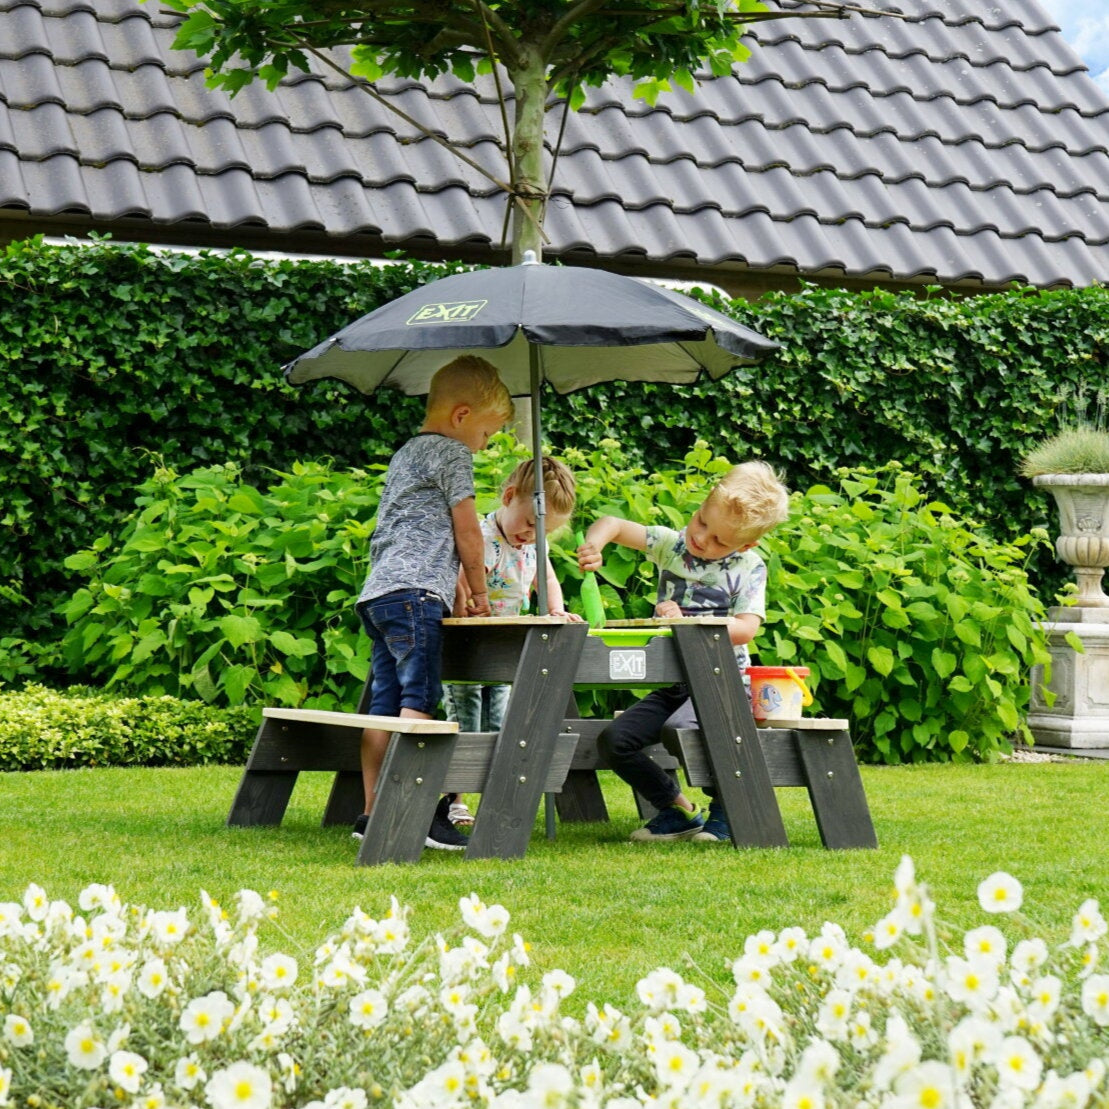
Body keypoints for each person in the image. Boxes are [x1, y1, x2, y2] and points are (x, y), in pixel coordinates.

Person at [577, 460, 790, 844]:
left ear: (745, 544)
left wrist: (689, 622)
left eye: (719, 540)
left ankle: (727, 810)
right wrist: (595, 544)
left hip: (723, 683)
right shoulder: (672, 545)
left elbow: (746, 628)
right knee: (615, 741)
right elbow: (614, 524)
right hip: (678, 685)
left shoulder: (749, 566)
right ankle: (678, 811)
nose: (702, 539)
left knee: (685, 730)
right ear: (702, 506)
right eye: (701, 522)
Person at [352, 355, 514, 851]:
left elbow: (420, 534)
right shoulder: (452, 454)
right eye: (486, 434)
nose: (483, 446)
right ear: (462, 416)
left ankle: (372, 813)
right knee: (419, 702)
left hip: (381, 594)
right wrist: (480, 591)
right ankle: (415, 815)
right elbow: (467, 532)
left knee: (383, 709)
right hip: (415, 597)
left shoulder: (406, 454)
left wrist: (455, 589)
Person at [443, 456, 581, 826]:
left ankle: (496, 793)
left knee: (501, 722)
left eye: (543, 530)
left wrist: (556, 610)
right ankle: (454, 799)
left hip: (505, 651)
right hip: (468, 646)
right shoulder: (483, 540)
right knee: (466, 718)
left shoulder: (535, 545)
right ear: (508, 498)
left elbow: (547, 580)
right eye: (530, 524)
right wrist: (467, 608)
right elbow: (461, 582)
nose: (532, 535)